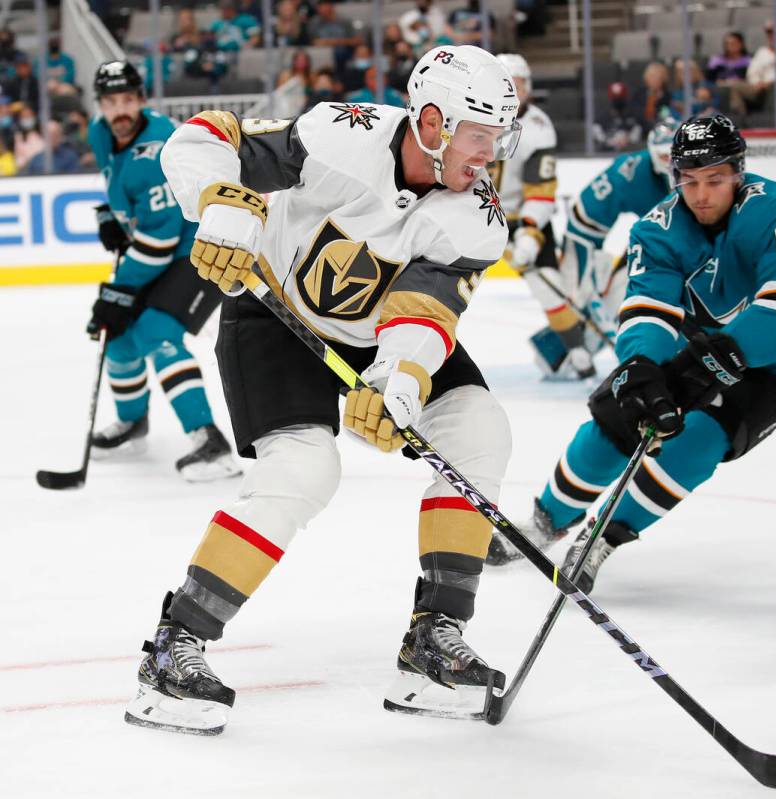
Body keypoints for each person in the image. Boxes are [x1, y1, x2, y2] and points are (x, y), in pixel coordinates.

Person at [123, 44, 522, 734]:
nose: (491, 154)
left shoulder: (477, 214)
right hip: (272, 313)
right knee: (303, 470)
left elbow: (426, 310)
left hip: (376, 337)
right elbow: (208, 137)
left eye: (498, 137)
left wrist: (399, 379)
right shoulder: (343, 136)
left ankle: (432, 641)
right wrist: (220, 201)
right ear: (431, 123)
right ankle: (174, 646)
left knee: (477, 428)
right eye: (479, 135)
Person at [488, 114, 776, 593]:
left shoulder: (773, 210)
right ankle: (545, 523)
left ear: (739, 173)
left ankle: (603, 536)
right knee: (615, 419)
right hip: (696, 349)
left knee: (698, 442)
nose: (703, 194)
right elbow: (649, 310)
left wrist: (717, 357)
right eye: (690, 181)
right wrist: (641, 363)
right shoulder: (657, 229)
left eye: (715, 179)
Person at [86, 61, 240, 482]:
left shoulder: (155, 149)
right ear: (100, 104)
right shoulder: (100, 133)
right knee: (117, 335)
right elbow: (122, 192)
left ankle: (209, 441)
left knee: (155, 332)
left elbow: (160, 241)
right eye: (111, 102)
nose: (120, 110)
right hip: (166, 250)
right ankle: (133, 423)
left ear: (141, 101)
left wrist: (116, 293)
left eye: (128, 101)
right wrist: (110, 215)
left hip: (205, 249)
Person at [513, 119, 676, 391]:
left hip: (655, 241)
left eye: (673, 155)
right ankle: (561, 354)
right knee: (585, 298)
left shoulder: (690, 175)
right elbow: (590, 216)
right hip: (586, 233)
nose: (669, 161)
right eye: (663, 156)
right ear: (651, 152)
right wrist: (589, 275)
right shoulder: (633, 173)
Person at [491, 53, 590, 379]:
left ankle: (576, 348)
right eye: (505, 84)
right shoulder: (472, 116)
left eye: (517, 85)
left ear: (528, 87)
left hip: (523, 216)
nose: (511, 92)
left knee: (549, 287)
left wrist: (529, 233)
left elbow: (541, 190)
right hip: (476, 212)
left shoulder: (537, 127)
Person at [731, 21, 776, 116]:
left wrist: (771, 81)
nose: (772, 36)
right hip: (759, 88)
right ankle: (741, 119)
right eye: (769, 33)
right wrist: (758, 82)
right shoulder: (762, 51)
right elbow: (752, 73)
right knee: (736, 86)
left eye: (775, 33)